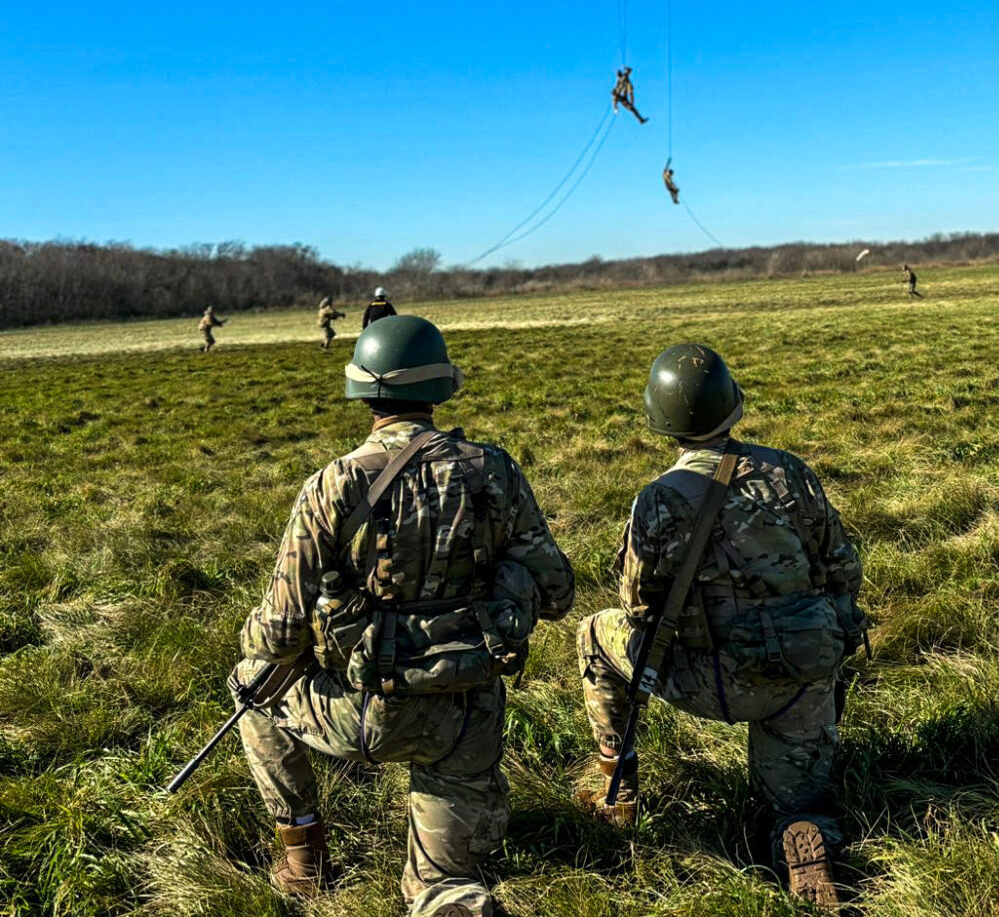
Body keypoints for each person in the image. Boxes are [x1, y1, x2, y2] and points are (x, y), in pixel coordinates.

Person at [233, 315, 575, 917]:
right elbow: (558, 593)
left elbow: (280, 634)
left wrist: (295, 636)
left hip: (363, 713)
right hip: (466, 715)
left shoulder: (333, 484)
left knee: (250, 681)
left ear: (363, 391)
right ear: (441, 388)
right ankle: (446, 894)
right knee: (445, 888)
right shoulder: (493, 470)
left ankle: (302, 852)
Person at [575, 344, 866, 910]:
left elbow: (636, 607)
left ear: (660, 420)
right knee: (798, 801)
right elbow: (843, 572)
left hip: (710, 681)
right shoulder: (789, 473)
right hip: (800, 678)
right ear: (733, 406)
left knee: (593, 632)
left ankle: (617, 781)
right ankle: (803, 838)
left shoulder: (656, 500)